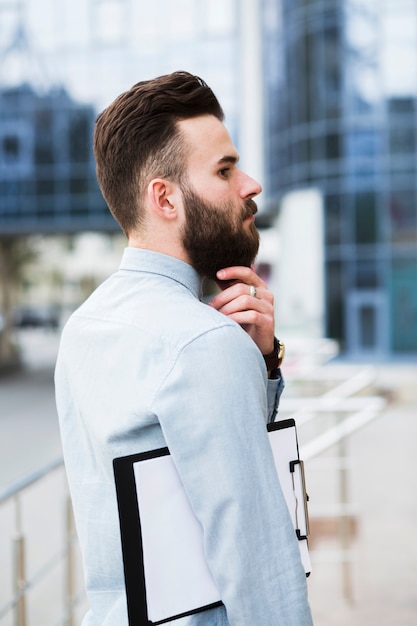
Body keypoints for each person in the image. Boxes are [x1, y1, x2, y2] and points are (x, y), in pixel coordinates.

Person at [55, 71, 313, 626]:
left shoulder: (85, 327)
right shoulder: (201, 342)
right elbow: (260, 568)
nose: (251, 184)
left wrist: (260, 362)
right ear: (164, 198)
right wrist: (237, 355)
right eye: (224, 169)